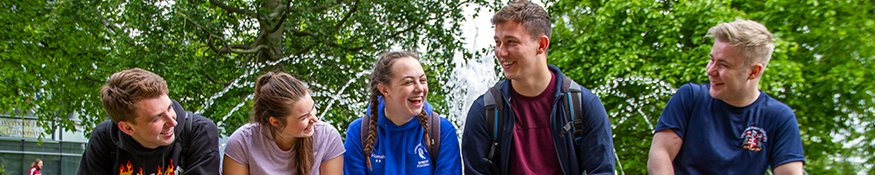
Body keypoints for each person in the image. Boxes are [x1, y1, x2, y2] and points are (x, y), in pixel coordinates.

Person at [461, 1, 616, 174]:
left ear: (541, 45)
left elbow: (602, 171)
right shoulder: (484, 111)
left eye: (511, 42)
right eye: (498, 42)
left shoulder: (584, 105)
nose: (501, 52)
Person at [647, 20, 805, 175]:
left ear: (754, 72)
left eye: (723, 65)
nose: (710, 70)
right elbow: (661, 153)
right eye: (711, 59)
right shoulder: (690, 97)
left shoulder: (779, 117)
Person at [78, 68, 220, 175]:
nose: (173, 122)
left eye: (169, 107)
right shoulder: (104, 140)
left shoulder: (199, 132)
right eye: (157, 117)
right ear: (127, 128)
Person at [344, 51, 462, 174]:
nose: (420, 88)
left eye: (422, 80)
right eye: (408, 82)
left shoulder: (442, 131)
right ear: (384, 89)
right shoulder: (358, 132)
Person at [223, 72, 345, 175]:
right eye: (303, 117)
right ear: (275, 122)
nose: (314, 119)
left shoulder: (328, 137)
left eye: (313, 108)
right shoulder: (242, 142)